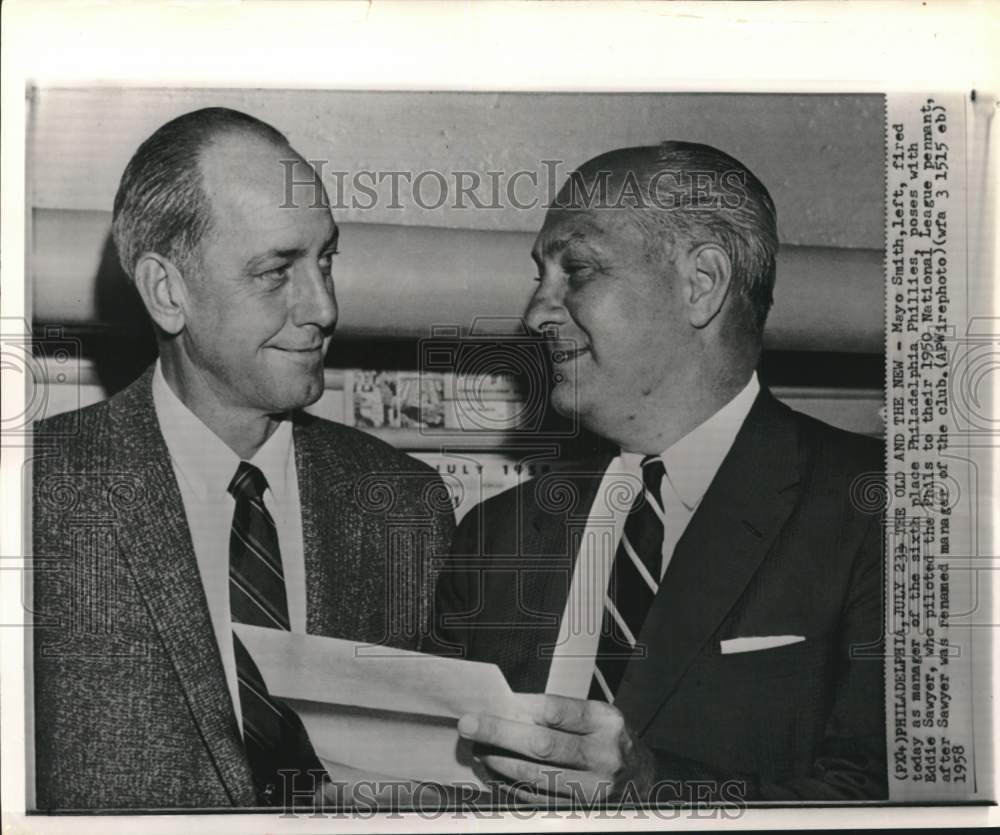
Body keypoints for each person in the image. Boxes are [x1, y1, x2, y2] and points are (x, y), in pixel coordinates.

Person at [431, 142, 886, 803]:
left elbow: (886, 800)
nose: (537, 312)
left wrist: (646, 789)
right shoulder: (493, 536)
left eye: (576, 271)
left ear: (701, 283)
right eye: (541, 275)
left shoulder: (879, 511)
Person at [31, 108, 454, 810]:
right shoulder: (36, 494)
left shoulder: (404, 502)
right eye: (275, 272)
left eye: (325, 259)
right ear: (169, 292)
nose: (322, 306)